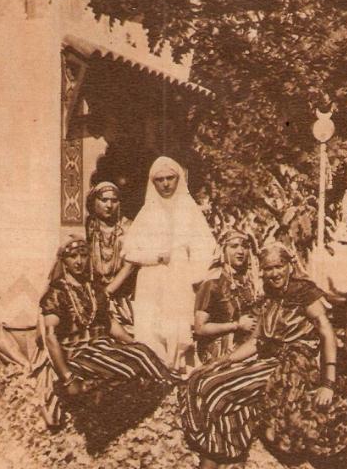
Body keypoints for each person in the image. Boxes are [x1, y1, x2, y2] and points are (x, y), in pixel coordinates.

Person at [180, 242, 347, 469]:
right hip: (270, 360)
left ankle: (214, 465)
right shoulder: (269, 297)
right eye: (268, 269)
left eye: (278, 267)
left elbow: (327, 333)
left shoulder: (304, 292)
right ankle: (230, 462)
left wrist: (328, 383)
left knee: (220, 389)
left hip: (296, 367)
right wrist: (225, 361)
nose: (273, 273)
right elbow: (256, 341)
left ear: (289, 265)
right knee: (201, 380)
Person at [33, 238, 175, 451]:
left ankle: (168, 391)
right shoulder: (56, 293)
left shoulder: (93, 288)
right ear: (63, 261)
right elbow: (50, 338)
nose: (79, 261)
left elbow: (109, 323)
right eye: (73, 256)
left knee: (141, 353)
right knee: (128, 371)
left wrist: (132, 343)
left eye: (83, 255)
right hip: (76, 352)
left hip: (102, 345)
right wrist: (66, 377)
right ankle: (101, 423)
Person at [121, 156, 217, 370]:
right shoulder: (147, 212)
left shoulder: (189, 209)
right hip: (151, 279)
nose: (165, 184)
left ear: (178, 178)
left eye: (170, 178)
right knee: (152, 330)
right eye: (159, 179)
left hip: (180, 277)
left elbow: (206, 246)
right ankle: (155, 373)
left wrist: (195, 275)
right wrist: (155, 257)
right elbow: (128, 251)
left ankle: (179, 373)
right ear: (153, 182)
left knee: (178, 328)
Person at [193, 230, 260, 363]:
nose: (240, 251)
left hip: (249, 346)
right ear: (223, 250)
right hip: (221, 353)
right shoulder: (212, 282)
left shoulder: (250, 281)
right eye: (234, 246)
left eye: (244, 246)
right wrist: (236, 325)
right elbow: (199, 328)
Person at [84, 181, 134, 327]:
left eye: (114, 200)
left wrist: (107, 292)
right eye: (104, 200)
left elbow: (130, 265)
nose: (109, 205)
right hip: (92, 294)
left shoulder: (127, 227)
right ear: (94, 202)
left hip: (120, 297)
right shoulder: (87, 227)